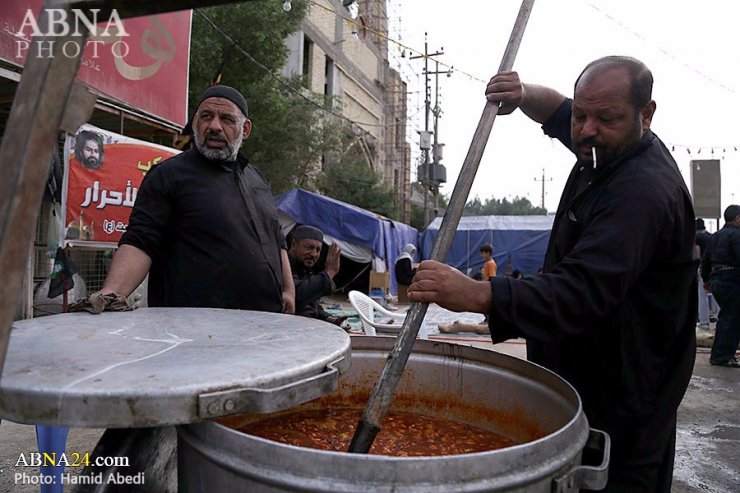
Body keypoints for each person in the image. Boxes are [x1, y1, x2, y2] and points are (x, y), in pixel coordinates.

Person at [408, 56, 697, 492]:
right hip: (583, 377)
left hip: (625, 397)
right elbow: (558, 109)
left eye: (605, 118)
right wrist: (524, 95)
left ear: (647, 114)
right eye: (582, 116)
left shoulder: (642, 193)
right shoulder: (601, 144)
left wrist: (477, 294)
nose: (585, 130)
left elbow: (580, 291)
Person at [93, 84, 295, 314]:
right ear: (195, 121)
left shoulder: (258, 179)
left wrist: (288, 289)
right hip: (193, 330)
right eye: (207, 116)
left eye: (227, 119)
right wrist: (110, 294)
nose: (214, 126)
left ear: (245, 129)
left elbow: (276, 238)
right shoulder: (169, 175)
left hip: (263, 323)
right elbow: (141, 241)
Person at [700, 205, 740, 367]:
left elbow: (706, 260)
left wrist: (706, 280)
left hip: (717, 280)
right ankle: (721, 356)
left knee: (728, 317)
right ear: (737, 218)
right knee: (731, 319)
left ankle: (724, 354)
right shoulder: (737, 236)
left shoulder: (715, 236)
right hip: (733, 280)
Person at [289, 224, 348, 328]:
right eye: (309, 247)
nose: (314, 254)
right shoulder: (284, 267)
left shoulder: (305, 270)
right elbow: (297, 295)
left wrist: (332, 320)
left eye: (318, 250)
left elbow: (312, 306)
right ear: (294, 245)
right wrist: (329, 273)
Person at [695, 218, 714, 328]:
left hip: (704, 267)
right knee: (715, 294)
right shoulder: (710, 235)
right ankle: (717, 316)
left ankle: (704, 321)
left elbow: (697, 253)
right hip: (714, 267)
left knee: (702, 295)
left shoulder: (697, 236)